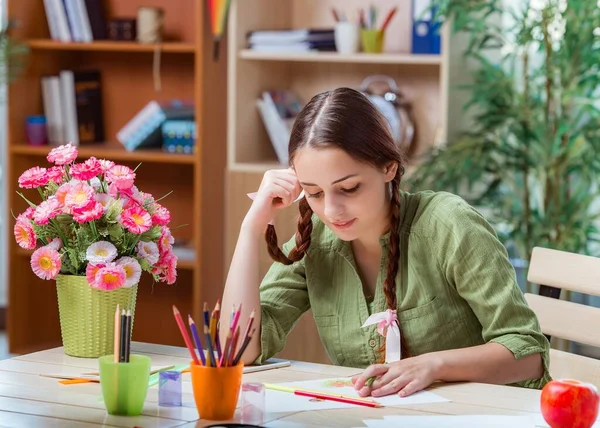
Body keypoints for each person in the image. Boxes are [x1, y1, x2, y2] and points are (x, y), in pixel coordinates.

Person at [221, 87, 551, 398]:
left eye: (349, 188)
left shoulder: (449, 225)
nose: (331, 210)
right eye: (315, 192)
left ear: (389, 167)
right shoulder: (317, 240)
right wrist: (251, 226)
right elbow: (236, 351)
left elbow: (528, 354)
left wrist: (435, 365)